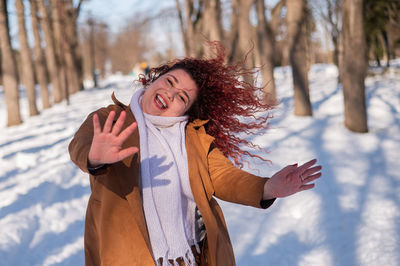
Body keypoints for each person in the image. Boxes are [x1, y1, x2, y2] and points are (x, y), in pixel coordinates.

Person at [69, 44, 322, 266]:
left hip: (192, 257)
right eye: (169, 82)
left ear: (186, 111)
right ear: (153, 79)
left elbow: (223, 176)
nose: (170, 94)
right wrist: (95, 157)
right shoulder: (112, 119)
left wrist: (267, 187)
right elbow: (81, 143)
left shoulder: (193, 138)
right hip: (128, 255)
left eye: (182, 97)